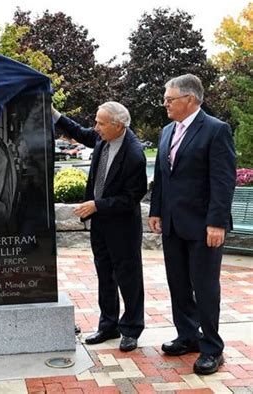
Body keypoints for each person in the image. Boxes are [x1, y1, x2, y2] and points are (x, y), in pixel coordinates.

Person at [148, 74, 236, 375]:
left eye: (169, 99)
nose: (164, 104)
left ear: (190, 99)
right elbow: (162, 176)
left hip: (203, 227)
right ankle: (188, 336)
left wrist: (217, 223)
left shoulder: (216, 130)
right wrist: (156, 210)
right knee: (179, 285)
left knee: (206, 288)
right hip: (173, 225)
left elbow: (223, 181)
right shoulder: (166, 131)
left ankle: (212, 347)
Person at [53, 102, 147, 352]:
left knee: (129, 278)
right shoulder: (103, 138)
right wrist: (55, 114)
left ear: (118, 125)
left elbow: (131, 198)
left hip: (123, 227)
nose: (96, 128)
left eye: (100, 123)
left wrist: (97, 205)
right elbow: (81, 133)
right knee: (105, 276)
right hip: (101, 226)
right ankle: (108, 326)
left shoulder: (134, 153)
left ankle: (131, 329)